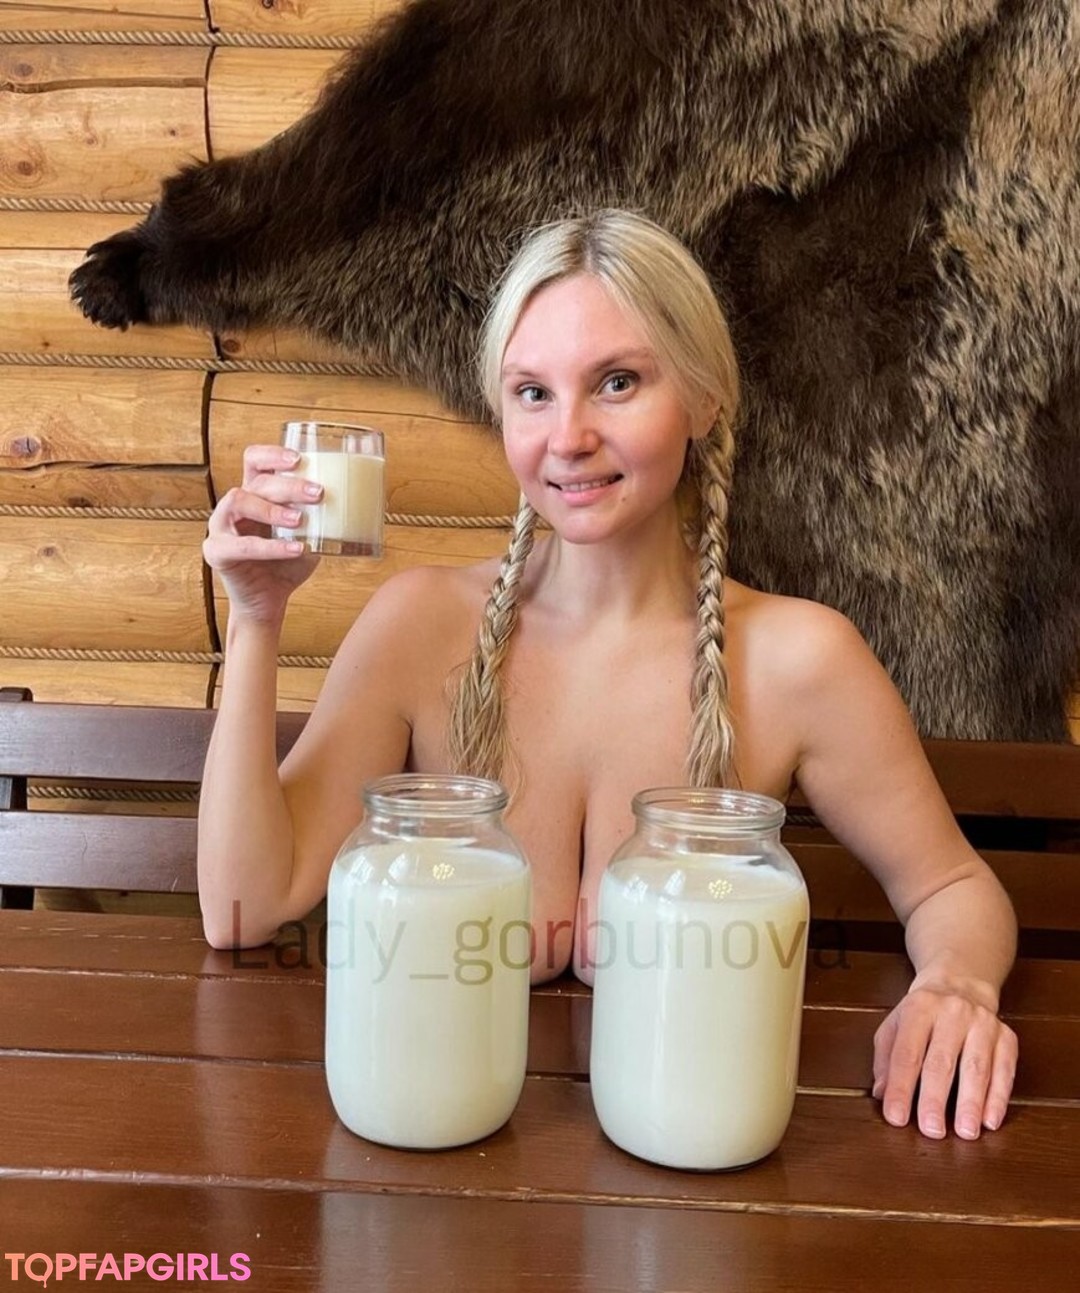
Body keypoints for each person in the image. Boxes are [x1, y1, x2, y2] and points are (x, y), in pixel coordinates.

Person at [199, 208, 1018, 1142]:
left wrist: (956, 983)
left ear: (704, 399)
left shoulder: (799, 659)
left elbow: (952, 887)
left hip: (693, 1150)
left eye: (617, 382)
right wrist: (256, 618)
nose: (569, 435)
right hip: (439, 1139)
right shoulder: (419, 627)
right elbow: (243, 906)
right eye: (533, 392)